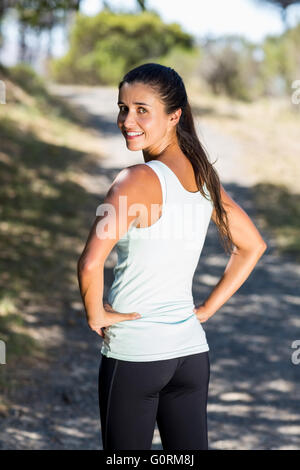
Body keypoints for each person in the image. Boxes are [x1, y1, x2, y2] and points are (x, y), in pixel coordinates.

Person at [77, 63, 267, 451]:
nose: (127, 120)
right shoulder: (203, 178)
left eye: (141, 109)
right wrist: (207, 310)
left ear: (174, 115)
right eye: (122, 107)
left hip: (137, 354)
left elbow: (90, 262)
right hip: (190, 354)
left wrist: (96, 314)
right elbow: (253, 246)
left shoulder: (133, 180)